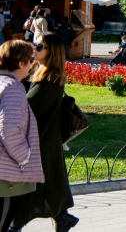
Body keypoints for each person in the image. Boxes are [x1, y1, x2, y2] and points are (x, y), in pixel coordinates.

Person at [11, 34, 75, 232]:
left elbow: (28, 106)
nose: (34, 48)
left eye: (40, 46)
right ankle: (62, 217)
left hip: (41, 140)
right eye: (34, 44)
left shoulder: (50, 78)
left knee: (28, 184)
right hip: (42, 138)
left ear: (51, 52)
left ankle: (15, 225)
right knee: (47, 180)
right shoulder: (40, 72)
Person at [0, 40, 43, 232]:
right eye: (30, 60)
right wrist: (25, 156)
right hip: (6, 171)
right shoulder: (13, 87)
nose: (32, 64)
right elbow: (10, 129)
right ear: (20, 63)